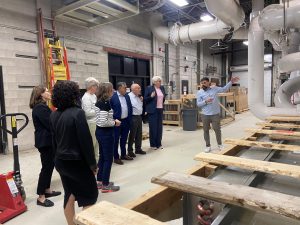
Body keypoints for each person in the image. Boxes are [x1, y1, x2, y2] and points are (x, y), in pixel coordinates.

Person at [50, 81, 98, 225]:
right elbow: (86, 142)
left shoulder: (53, 115)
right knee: (89, 196)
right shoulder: (78, 113)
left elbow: (54, 142)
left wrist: (56, 161)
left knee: (69, 194)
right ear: (73, 95)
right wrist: (92, 164)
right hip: (77, 163)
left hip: (61, 161)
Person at [29, 86, 61, 207]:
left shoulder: (42, 106)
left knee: (50, 165)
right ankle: (41, 196)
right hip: (45, 142)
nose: (49, 93)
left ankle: (47, 190)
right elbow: (50, 124)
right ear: (41, 94)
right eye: (47, 91)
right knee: (46, 168)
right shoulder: (40, 108)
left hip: (47, 141)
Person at [197, 76, 239, 153]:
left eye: (205, 83)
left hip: (215, 114)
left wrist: (231, 82)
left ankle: (220, 145)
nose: (203, 84)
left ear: (208, 82)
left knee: (217, 130)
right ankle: (208, 146)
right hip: (205, 115)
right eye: (202, 83)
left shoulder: (215, 88)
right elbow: (198, 104)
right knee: (206, 130)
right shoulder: (200, 92)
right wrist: (205, 101)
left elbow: (224, 89)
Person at [95, 82, 121, 193]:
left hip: (100, 133)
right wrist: (115, 122)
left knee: (102, 157)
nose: (114, 91)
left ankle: (100, 181)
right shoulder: (105, 103)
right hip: (106, 134)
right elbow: (103, 122)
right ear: (108, 91)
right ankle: (105, 185)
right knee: (108, 159)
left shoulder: (99, 102)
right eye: (112, 89)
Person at [110, 82, 133, 165]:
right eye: (124, 88)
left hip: (126, 121)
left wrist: (129, 119)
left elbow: (129, 107)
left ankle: (123, 154)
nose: (126, 89)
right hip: (117, 122)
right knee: (115, 140)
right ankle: (116, 157)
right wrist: (113, 120)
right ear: (119, 88)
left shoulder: (127, 96)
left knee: (124, 139)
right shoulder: (113, 97)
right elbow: (110, 110)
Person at [144, 76, 166, 150]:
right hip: (152, 110)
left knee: (159, 128)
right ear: (154, 82)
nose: (159, 82)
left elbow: (163, 97)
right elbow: (145, 99)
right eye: (158, 81)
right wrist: (151, 96)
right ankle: (153, 144)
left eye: (160, 81)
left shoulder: (162, 88)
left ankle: (158, 144)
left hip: (160, 109)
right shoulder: (149, 88)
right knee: (153, 127)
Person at [81, 77, 100, 163]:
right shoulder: (86, 97)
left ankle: (96, 161)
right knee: (92, 144)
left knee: (97, 144)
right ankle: (91, 163)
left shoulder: (94, 96)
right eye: (96, 86)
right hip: (91, 123)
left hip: (97, 121)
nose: (97, 88)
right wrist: (99, 110)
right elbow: (87, 113)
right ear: (91, 86)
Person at [127, 84, 146, 157]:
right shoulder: (129, 96)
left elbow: (140, 106)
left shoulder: (139, 96)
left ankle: (138, 149)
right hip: (133, 117)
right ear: (133, 89)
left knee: (139, 133)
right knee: (132, 134)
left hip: (139, 116)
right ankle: (130, 150)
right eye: (138, 88)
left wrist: (142, 100)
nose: (140, 89)